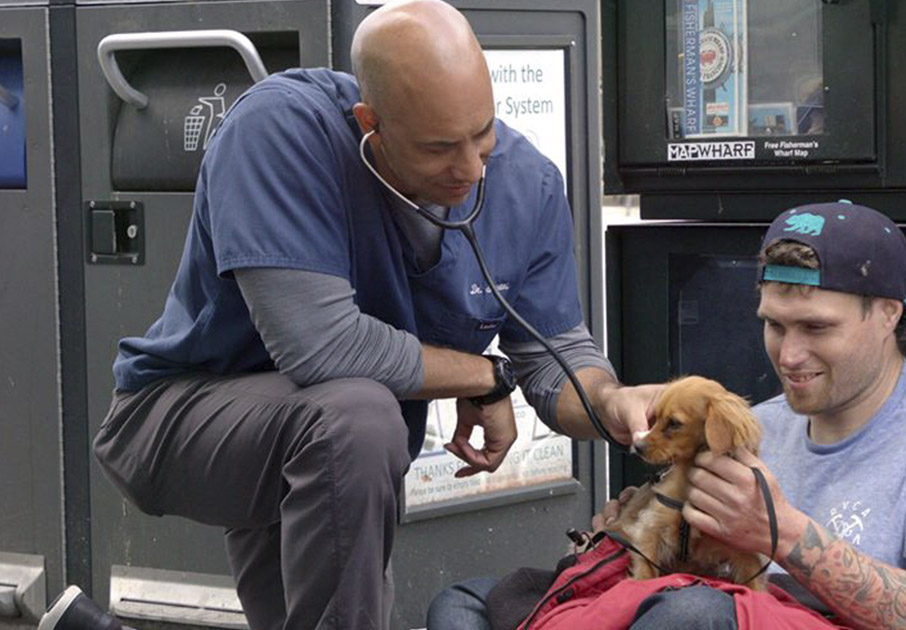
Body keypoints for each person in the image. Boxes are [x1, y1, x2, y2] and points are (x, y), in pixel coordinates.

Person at [61, 2, 662, 629]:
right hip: (181, 417)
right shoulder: (279, 131)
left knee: (349, 441)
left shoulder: (527, 185)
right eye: (438, 148)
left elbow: (554, 360)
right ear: (370, 123)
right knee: (361, 417)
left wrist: (611, 402)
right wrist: (487, 377)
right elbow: (322, 349)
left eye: (482, 133)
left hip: (324, 455)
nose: (470, 168)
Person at [428, 201, 906, 630]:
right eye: (774, 324)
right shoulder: (756, 422)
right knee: (467, 604)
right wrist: (641, 535)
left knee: (690, 614)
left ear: (889, 314)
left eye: (817, 327)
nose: (789, 355)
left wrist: (782, 534)